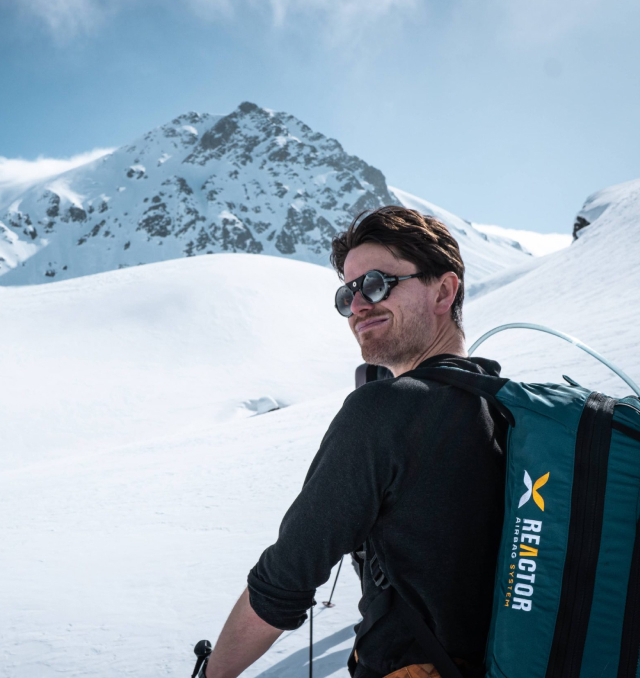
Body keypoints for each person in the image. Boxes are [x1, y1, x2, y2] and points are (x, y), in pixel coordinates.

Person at [202, 206, 506, 678]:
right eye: (348, 293)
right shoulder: (508, 408)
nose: (358, 305)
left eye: (378, 284)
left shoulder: (384, 410)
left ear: (444, 290)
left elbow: (284, 581)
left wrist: (213, 673)